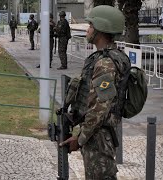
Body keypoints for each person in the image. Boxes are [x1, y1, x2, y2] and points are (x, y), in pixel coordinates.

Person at [59, 5, 128, 180]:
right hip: (96, 134)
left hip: (99, 137)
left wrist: (79, 139)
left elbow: (100, 108)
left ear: (100, 29)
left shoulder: (105, 64)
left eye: (90, 26)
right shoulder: (101, 58)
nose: (88, 30)